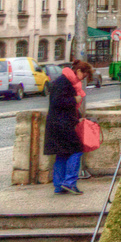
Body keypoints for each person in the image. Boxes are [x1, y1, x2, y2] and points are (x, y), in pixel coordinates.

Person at [45, 61, 84, 194]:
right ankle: (69, 182)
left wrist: (78, 116)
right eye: (83, 75)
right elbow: (58, 102)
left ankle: (59, 186)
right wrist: (75, 100)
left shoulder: (64, 80)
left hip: (57, 123)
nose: (82, 78)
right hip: (62, 124)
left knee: (62, 153)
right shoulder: (64, 82)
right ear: (78, 71)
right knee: (77, 149)